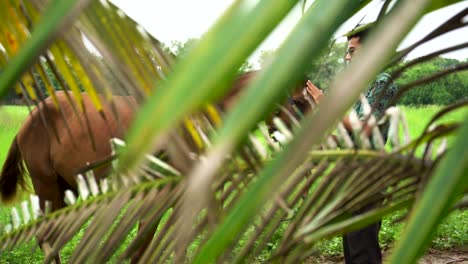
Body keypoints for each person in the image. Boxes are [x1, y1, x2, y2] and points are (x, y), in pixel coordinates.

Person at [306, 23, 399, 264]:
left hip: (367, 178)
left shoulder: (382, 82)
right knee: (352, 249)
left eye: (353, 51)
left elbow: (364, 127)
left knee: (362, 252)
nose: (347, 57)